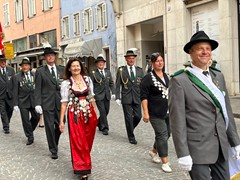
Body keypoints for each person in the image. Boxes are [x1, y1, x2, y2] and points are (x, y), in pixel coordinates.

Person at [169, 30, 240, 180]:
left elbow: (226, 111)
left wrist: (235, 142)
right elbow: (177, 121)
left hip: (221, 146)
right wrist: (183, 153)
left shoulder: (218, 76)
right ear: (191, 52)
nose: (205, 52)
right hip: (197, 148)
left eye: (208, 49)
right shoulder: (180, 80)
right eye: (200, 48)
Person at [59, 58, 98, 180]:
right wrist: (61, 121)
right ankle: (82, 169)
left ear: (81, 67)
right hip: (74, 114)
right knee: (78, 141)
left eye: (78, 66)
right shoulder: (66, 84)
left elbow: (91, 98)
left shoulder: (87, 80)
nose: (76, 68)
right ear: (69, 69)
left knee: (87, 140)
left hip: (88, 113)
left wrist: (96, 113)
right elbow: (64, 103)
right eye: (73, 66)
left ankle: (82, 159)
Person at [140, 52, 172, 173]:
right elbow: (144, 96)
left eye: (161, 61)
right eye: (157, 61)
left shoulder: (166, 75)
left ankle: (153, 151)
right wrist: (146, 113)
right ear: (152, 63)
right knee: (162, 135)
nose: (160, 63)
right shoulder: (147, 78)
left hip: (168, 111)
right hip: (155, 113)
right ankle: (165, 162)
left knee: (167, 133)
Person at [34, 47, 65, 159]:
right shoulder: (40, 71)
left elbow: (66, 85)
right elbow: (37, 88)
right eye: (48, 55)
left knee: (60, 124)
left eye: (52, 55)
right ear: (45, 58)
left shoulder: (62, 69)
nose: (50, 57)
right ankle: (53, 149)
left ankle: (54, 141)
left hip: (60, 102)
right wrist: (37, 103)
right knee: (50, 127)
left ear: (55, 56)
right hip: (47, 103)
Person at [115, 49, 144, 144]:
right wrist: (118, 97)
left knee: (138, 116)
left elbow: (143, 85)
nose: (131, 60)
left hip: (137, 96)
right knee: (128, 117)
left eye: (132, 58)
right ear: (126, 59)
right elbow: (118, 84)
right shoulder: (121, 70)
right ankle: (131, 137)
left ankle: (130, 128)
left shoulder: (139, 70)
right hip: (126, 97)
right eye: (129, 58)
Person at [13, 57, 39, 145]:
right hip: (23, 101)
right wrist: (15, 104)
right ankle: (30, 137)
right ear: (21, 67)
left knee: (36, 117)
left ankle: (30, 129)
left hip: (33, 101)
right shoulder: (17, 77)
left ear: (29, 66)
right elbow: (15, 91)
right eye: (23, 65)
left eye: (26, 65)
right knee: (25, 120)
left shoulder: (34, 75)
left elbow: (38, 88)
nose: (25, 67)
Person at [89, 55, 115, 135]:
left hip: (107, 95)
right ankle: (105, 128)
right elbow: (91, 84)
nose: (101, 64)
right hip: (98, 95)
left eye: (102, 62)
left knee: (106, 111)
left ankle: (99, 123)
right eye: (99, 63)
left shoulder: (107, 72)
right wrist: (92, 95)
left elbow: (111, 83)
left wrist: (113, 92)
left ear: (104, 64)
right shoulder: (93, 73)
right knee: (102, 111)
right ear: (96, 64)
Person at [0, 51, 15, 134]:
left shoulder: (11, 70)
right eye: (1, 61)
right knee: (2, 111)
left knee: (10, 109)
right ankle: (6, 127)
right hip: (0, 96)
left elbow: (14, 82)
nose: (3, 62)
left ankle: (6, 121)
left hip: (10, 94)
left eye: (4, 61)